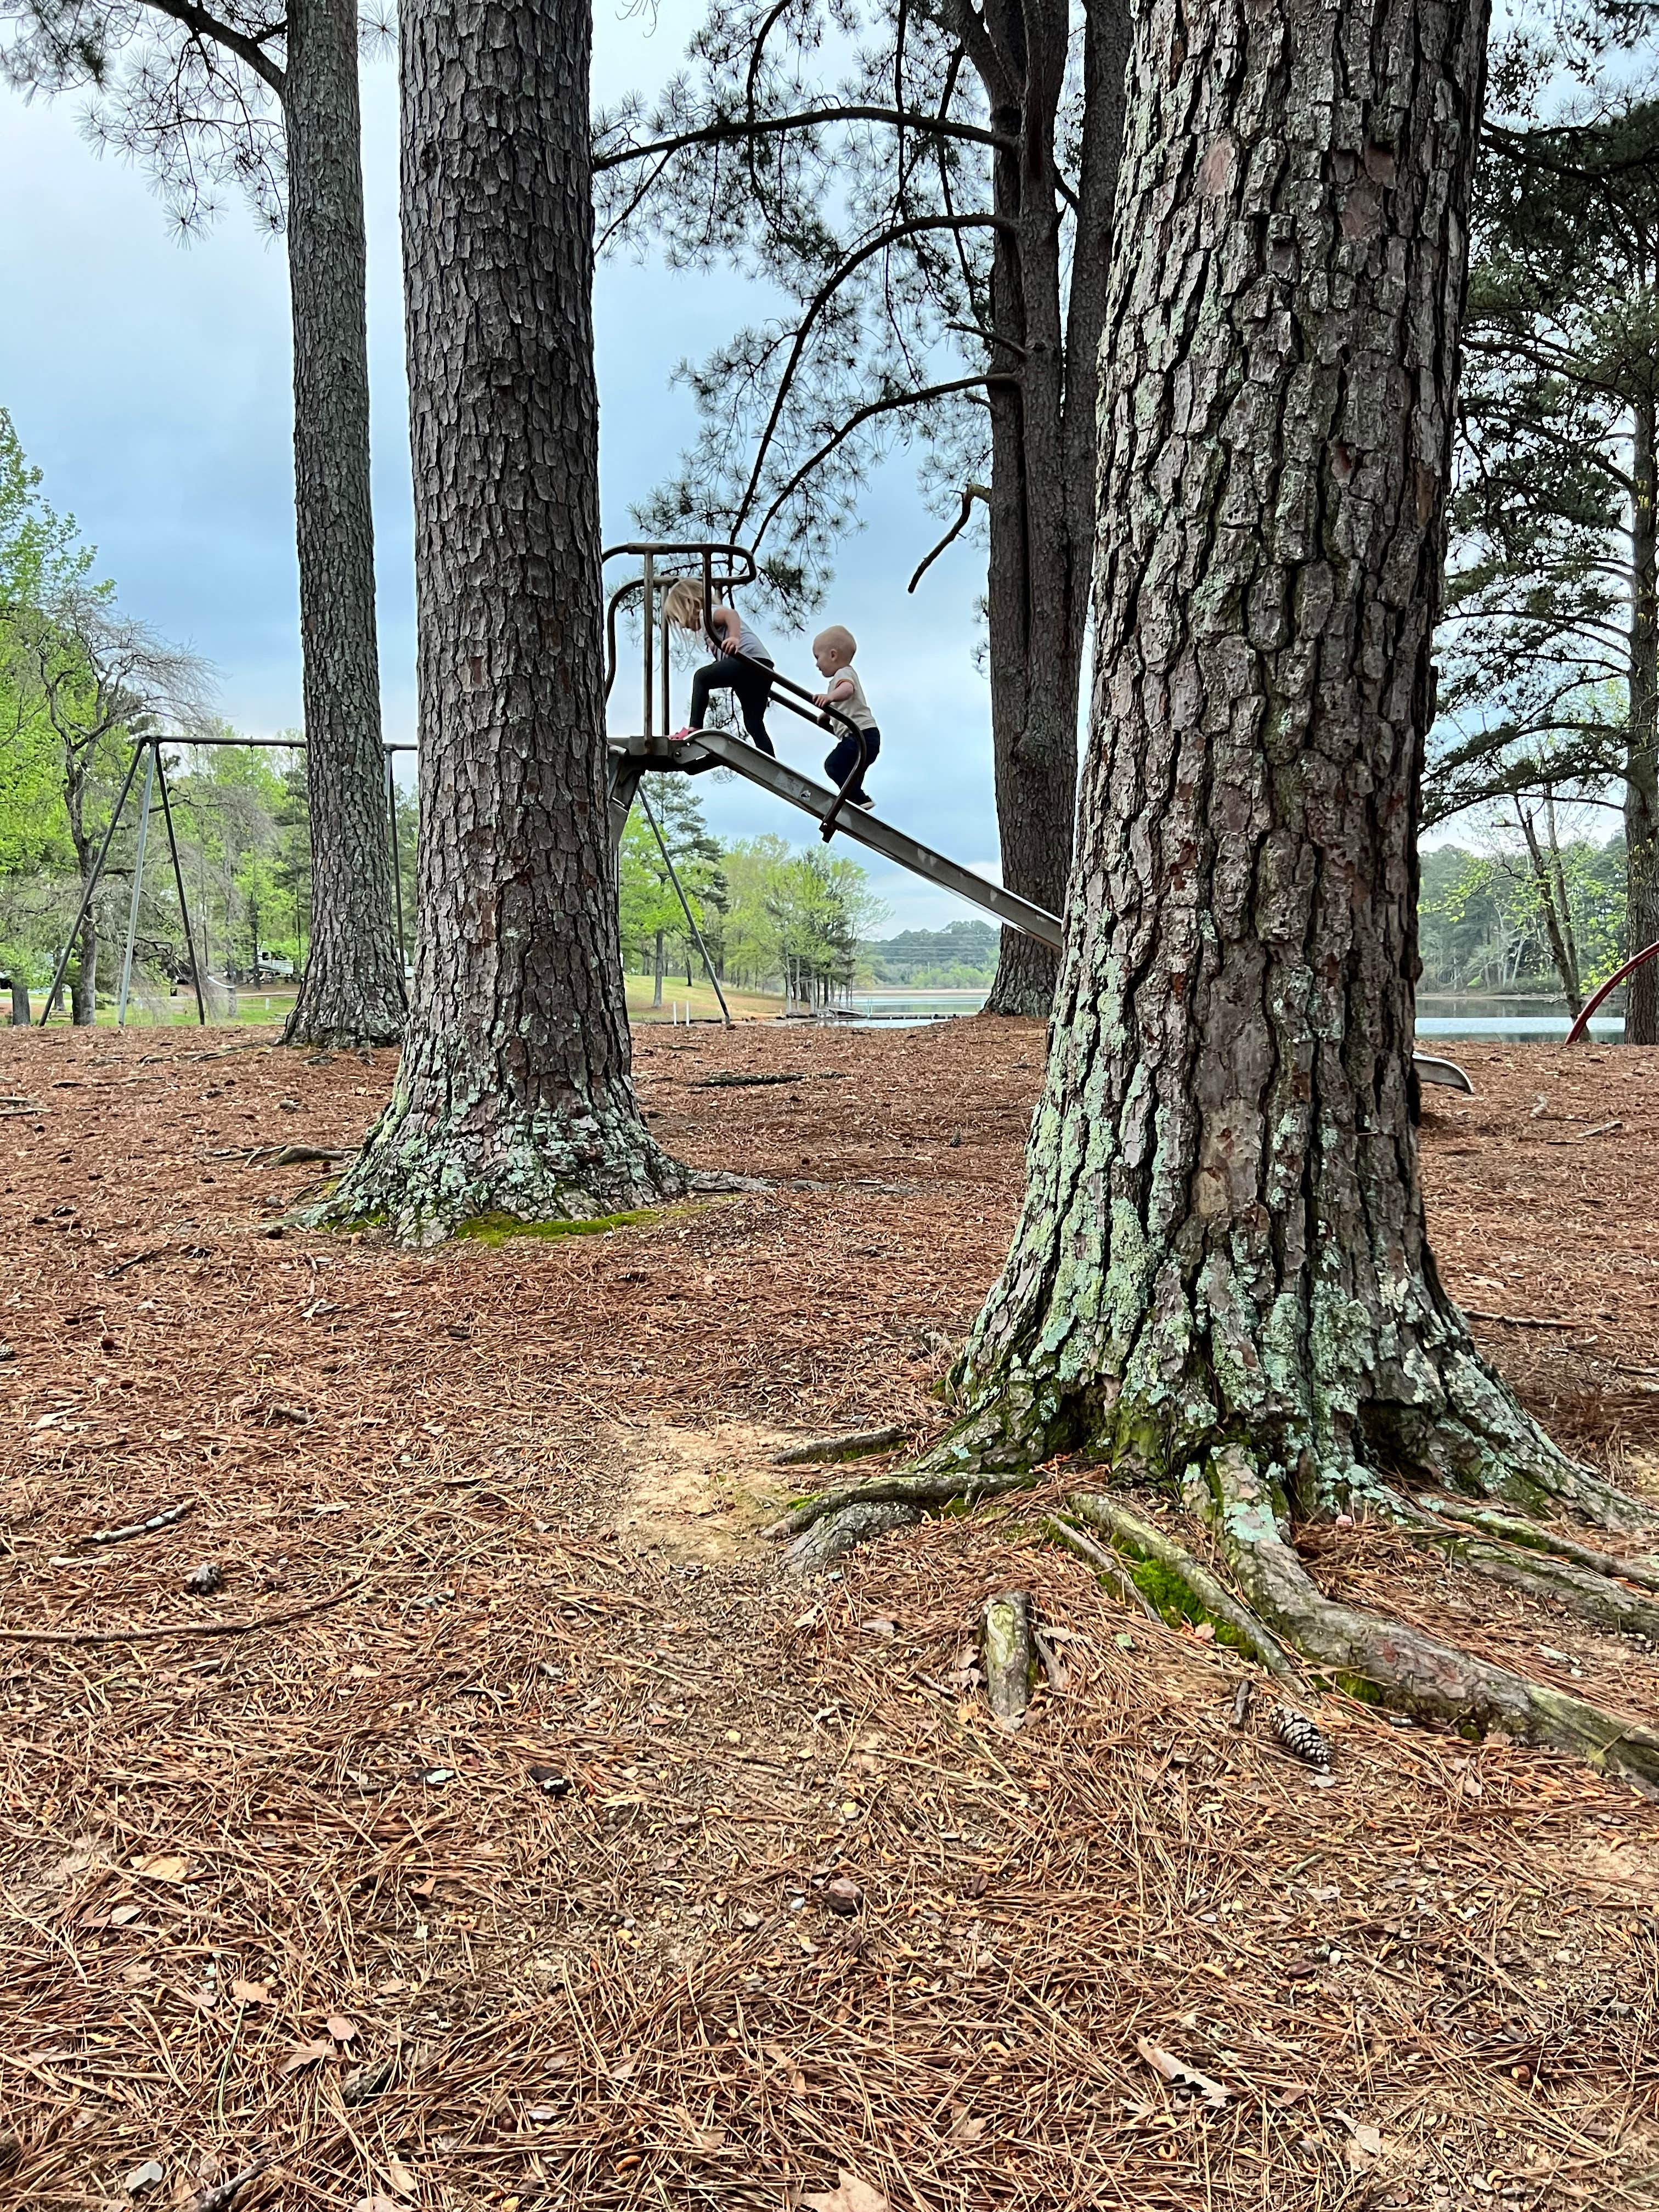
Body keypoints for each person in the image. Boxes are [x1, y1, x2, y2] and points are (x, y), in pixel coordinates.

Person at [664, 581, 776, 755]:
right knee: (753, 723)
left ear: (689, 604)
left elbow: (731, 615)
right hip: (763, 667)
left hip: (749, 662)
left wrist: (734, 638)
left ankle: (695, 727)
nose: (683, 625)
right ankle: (773, 765)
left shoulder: (706, 614)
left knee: (702, 677)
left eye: (679, 619)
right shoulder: (707, 621)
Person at [812, 624, 879, 807]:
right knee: (850, 776)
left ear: (833, 655)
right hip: (867, 736)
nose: (817, 664)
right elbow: (842, 702)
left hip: (860, 735)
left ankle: (857, 798)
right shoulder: (840, 678)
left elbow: (847, 690)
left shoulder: (844, 674)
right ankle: (859, 800)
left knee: (833, 765)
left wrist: (829, 697)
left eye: (818, 657)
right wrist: (827, 714)